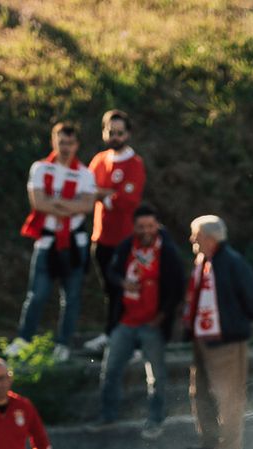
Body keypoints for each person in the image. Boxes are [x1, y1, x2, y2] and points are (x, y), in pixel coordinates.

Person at [8, 121, 97, 360]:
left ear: (76, 144)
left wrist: (55, 204)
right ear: (53, 142)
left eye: (69, 143)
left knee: (71, 298)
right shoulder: (40, 168)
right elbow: (38, 203)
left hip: (73, 242)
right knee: (36, 294)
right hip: (47, 242)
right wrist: (70, 206)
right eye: (61, 142)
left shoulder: (85, 174)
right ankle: (24, 339)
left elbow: (87, 206)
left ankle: (63, 344)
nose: (65, 147)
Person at [184, 215, 253, 449]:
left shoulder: (232, 262)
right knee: (200, 392)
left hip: (227, 341)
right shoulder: (204, 261)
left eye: (195, 234)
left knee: (228, 397)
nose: (191, 239)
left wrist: (233, 321)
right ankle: (208, 441)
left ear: (208, 238)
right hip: (203, 338)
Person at [99, 204, 184, 440]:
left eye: (150, 226)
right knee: (110, 369)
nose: (146, 230)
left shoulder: (166, 250)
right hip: (125, 320)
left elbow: (178, 286)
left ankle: (155, 419)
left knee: (156, 375)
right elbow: (111, 272)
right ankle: (108, 416)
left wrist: (163, 315)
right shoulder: (127, 246)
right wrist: (122, 284)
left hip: (152, 324)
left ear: (157, 226)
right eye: (141, 226)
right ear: (134, 227)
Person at [82, 110, 148, 356]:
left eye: (120, 133)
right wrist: (107, 194)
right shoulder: (99, 160)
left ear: (128, 134)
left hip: (125, 238)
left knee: (127, 290)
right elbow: (87, 191)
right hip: (101, 237)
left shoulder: (134, 164)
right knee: (110, 290)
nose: (116, 137)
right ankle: (111, 335)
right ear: (104, 132)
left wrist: (104, 194)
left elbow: (128, 200)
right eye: (111, 132)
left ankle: (132, 342)